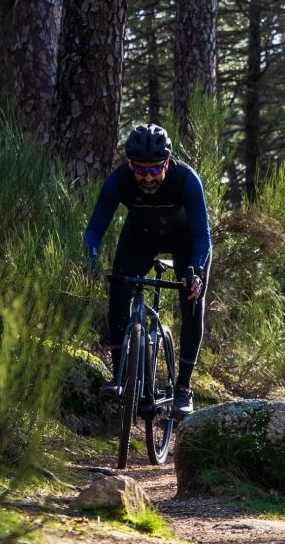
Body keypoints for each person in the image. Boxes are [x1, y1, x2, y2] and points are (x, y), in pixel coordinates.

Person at [83, 123, 211, 415]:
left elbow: (203, 236)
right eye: (140, 169)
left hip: (186, 240)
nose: (148, 177)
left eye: (155, 169)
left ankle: (183, 389)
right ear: (130, 164)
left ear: (167, 162)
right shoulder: (119, 180)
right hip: (140, 235)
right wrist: (91, 259)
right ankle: (120, 377)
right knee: (118, 291)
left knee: (192, 298)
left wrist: (197, 273)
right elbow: (94, 231)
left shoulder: (186, 180)